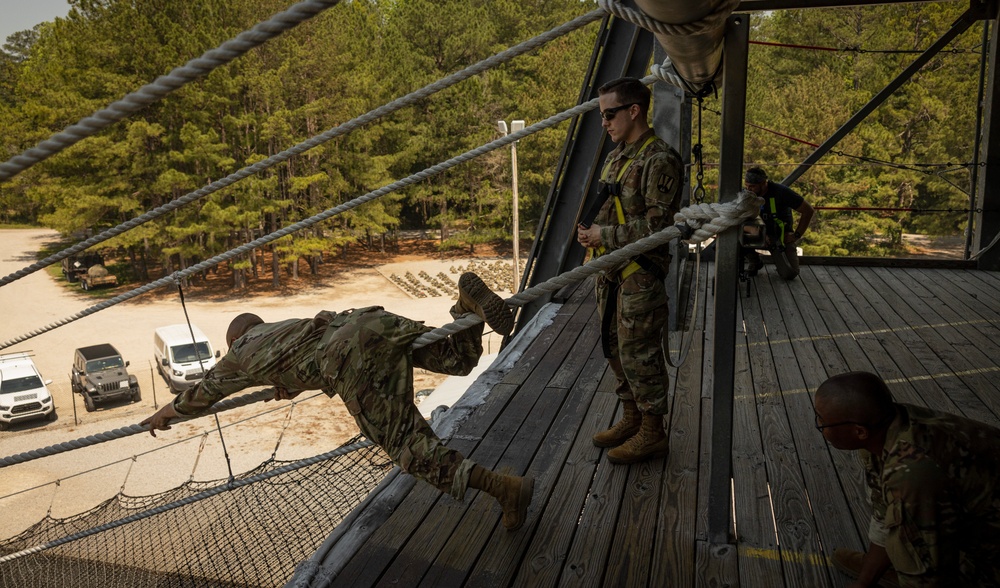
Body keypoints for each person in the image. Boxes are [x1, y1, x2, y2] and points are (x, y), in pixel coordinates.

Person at [141, 272, 534, 531]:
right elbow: (308, 352)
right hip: (366, 321)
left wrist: (166, 412)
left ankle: (504, 489)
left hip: (350, 354)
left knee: (406, 446)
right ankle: (467, 304)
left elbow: (204, 392)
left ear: (235, 339)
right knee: (456, 359)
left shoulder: (238, 354)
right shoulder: (281, 328)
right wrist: (290, 383)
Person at [575, 77, 683, 464]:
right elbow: (611, 203)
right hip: (612, 272)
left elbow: (659, 227)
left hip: (639, 276)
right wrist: (591, 232)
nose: (604, 122)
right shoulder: (618, 156)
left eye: (609, 114)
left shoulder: (660, 159)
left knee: (641, 354)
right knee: (615, 350)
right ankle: (632, 417)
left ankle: (653, 433)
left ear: (634, 110)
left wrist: (606, 233)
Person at [814, 371, 1000, 587]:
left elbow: (927, 575)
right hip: (973, 521)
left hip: (990, 553)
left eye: (822, 421)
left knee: (907, 550)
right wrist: (863, 583)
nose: (820, 425)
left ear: (859, 432)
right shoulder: (886, 427)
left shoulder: (911, 474)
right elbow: (885, 518)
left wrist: (911, 571)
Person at [742, 166, 814, 280]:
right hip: (755, 233)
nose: (748, 189)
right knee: (733, 237)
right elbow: (736, 219)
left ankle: (780, 261)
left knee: (789, 273)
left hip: (779, 237)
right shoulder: (745, 195)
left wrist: (796, 235)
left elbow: (808, 210)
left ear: (763, 183)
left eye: (752, 186)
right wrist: (760, 234)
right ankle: (754, 261)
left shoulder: (781, 192)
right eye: (747, 186)